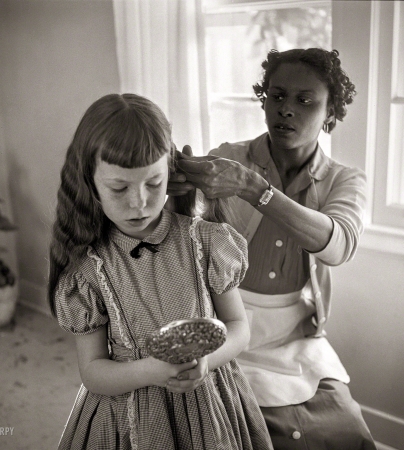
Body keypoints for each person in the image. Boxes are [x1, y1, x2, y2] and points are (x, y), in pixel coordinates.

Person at [169, 48, 377, 449]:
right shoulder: (227, 158)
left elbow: (339, 246)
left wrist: (255, 189)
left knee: (346, 430)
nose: (286, 109)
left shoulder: (344, 180)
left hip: (294, 332)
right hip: (223, 320)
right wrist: (177, 189)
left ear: (330, 114)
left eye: (305, 101)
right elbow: (182, 231)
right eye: (277, 96)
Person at [48, 93, 273, 449]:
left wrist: (205, 361)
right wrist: (152, 370)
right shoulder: (87, 271)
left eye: (154, 183)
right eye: (119, 188)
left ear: (169, 171)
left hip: (210, 404)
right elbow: (92, 371)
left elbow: (239, 329)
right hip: (131, 414)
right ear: (90, 183)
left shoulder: (207, 243)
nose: (139, 203)